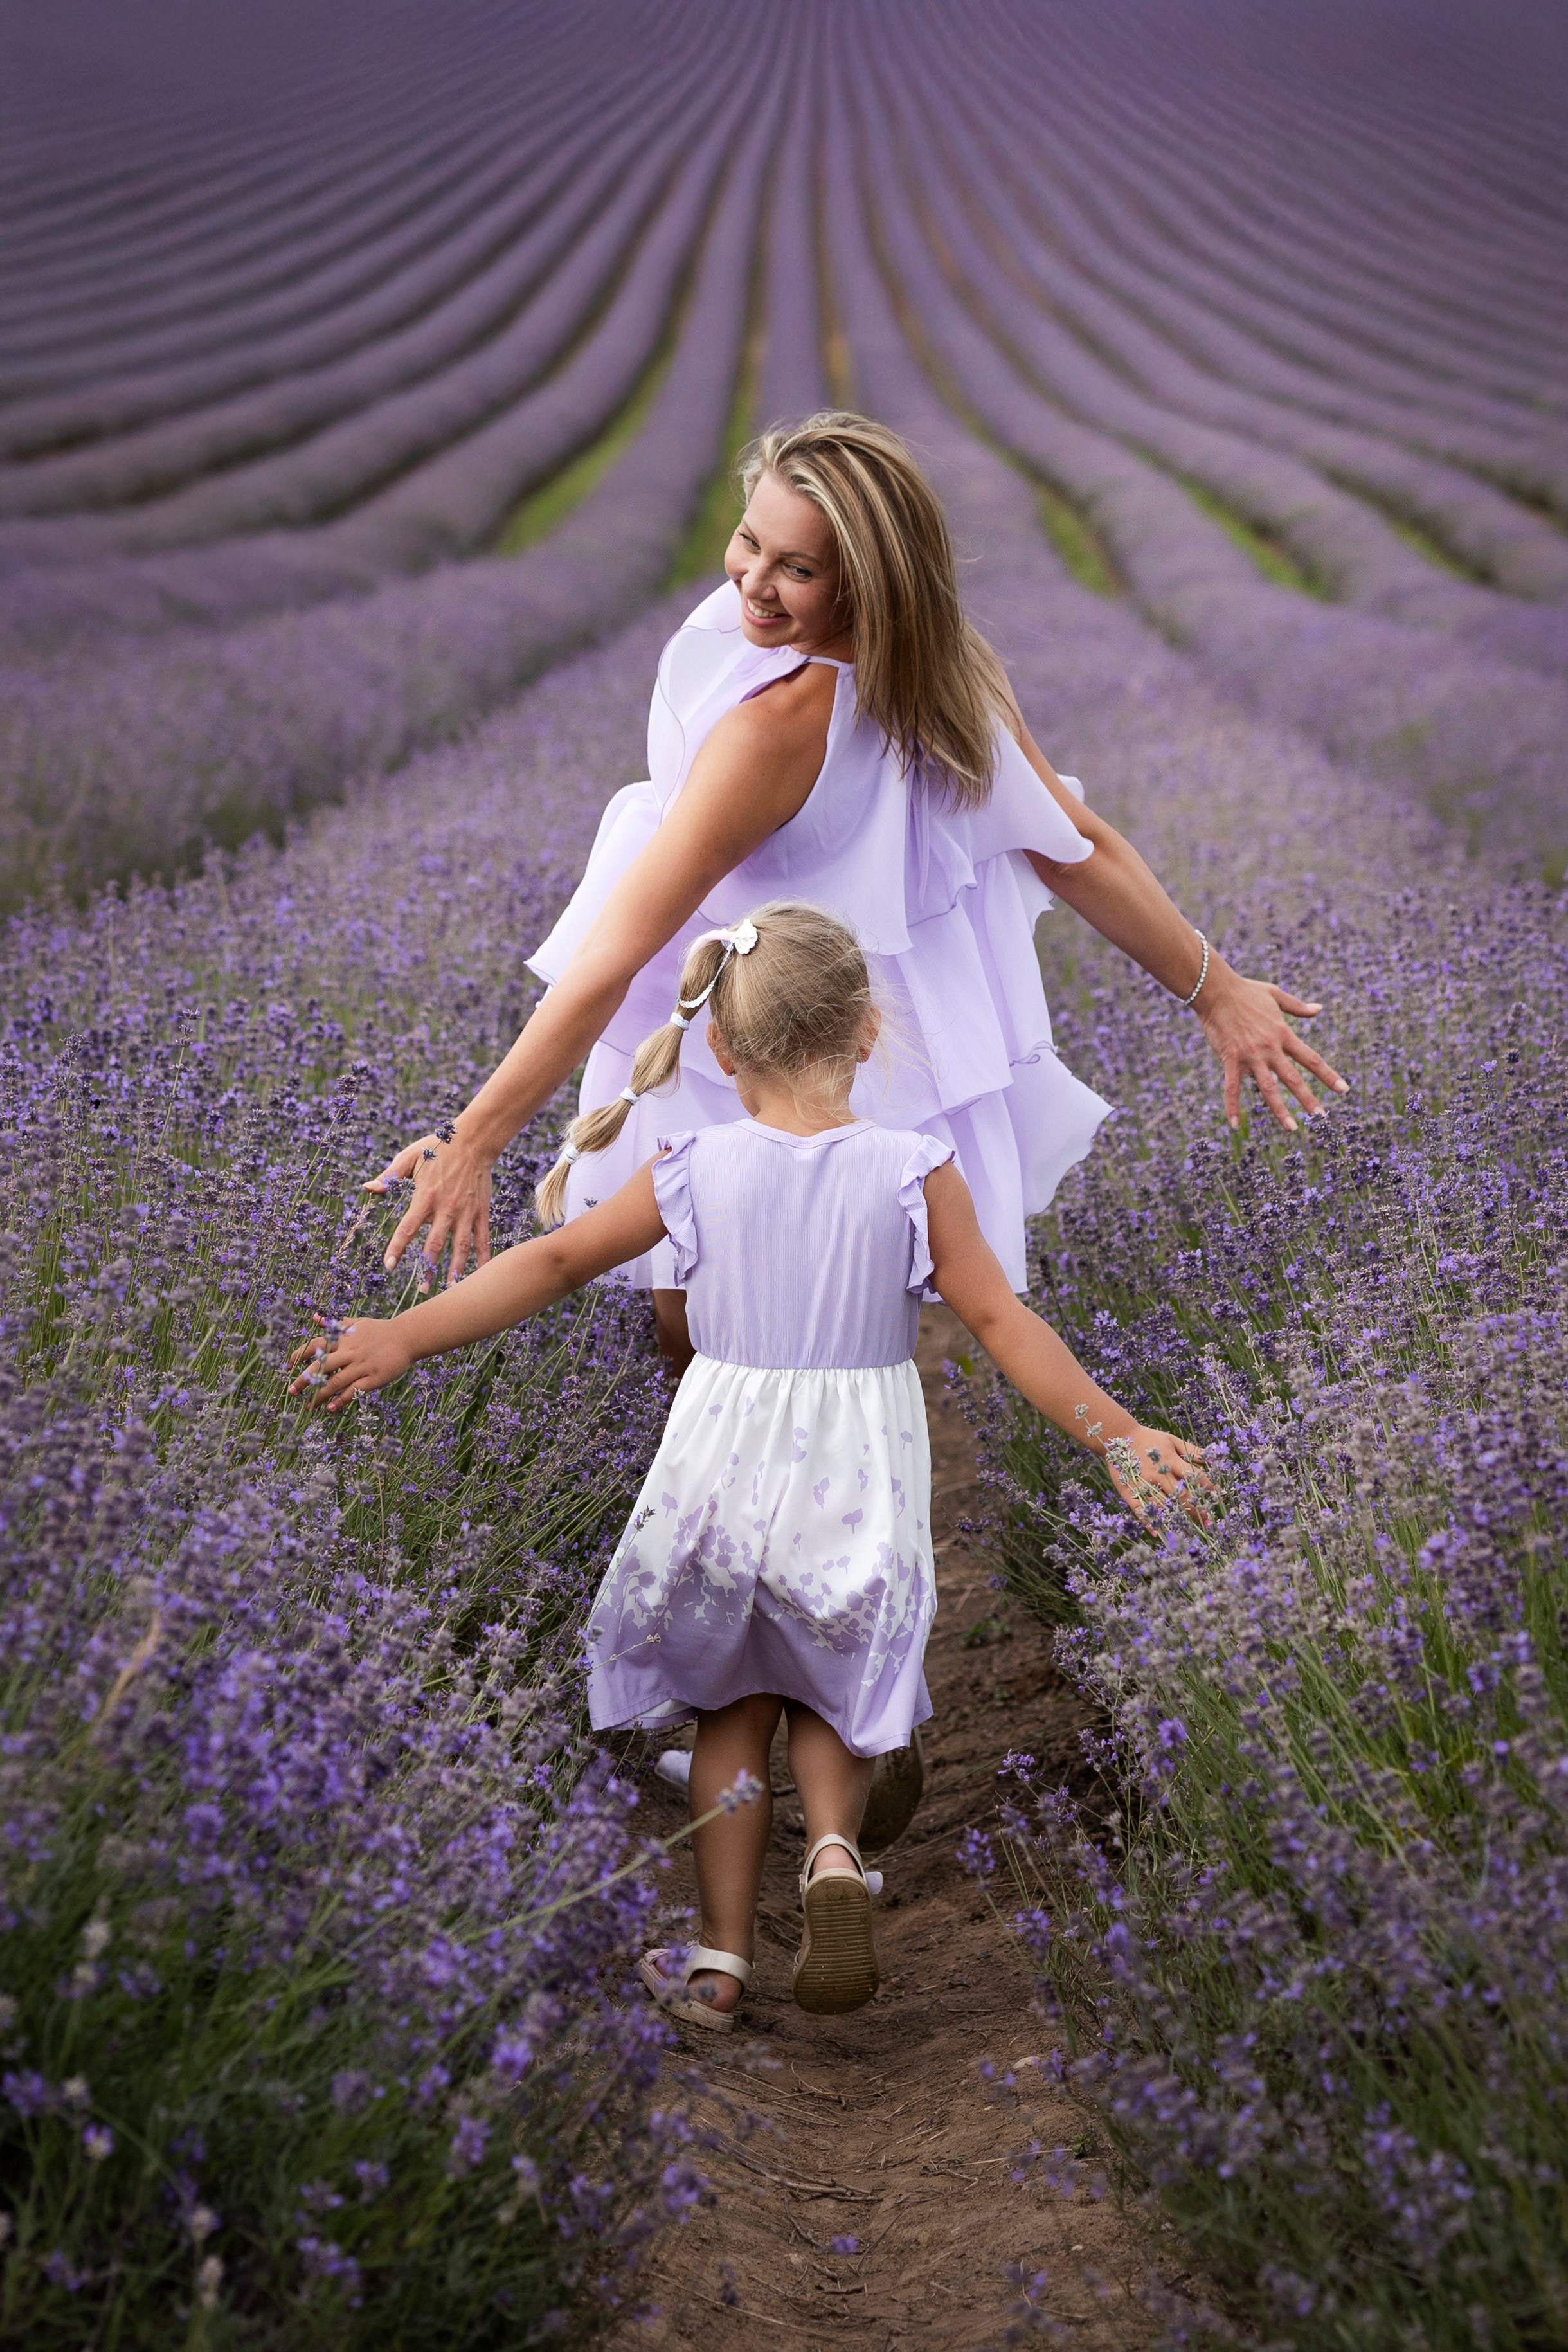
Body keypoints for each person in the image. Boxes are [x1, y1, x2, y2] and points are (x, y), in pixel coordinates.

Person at [294, 903, 1207, 2031]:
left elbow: (556, 1258)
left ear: (719, 1051)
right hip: (857, 1465)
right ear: (868, 1031)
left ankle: (720, 1961)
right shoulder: (917, 1171)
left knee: (731, 1704)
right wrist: (1119, 1433)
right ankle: (831, 1851)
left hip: (722, 1461)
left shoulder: (693, 1165)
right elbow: (1001, 1322)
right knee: (831, 1682)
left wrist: (406, 1333)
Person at [367, 412, 1346, 1362]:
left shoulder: (788, 726)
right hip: (819, 1034)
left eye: (797, 568)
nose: (754, 580)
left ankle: (774, 1502)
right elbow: (1075, 844)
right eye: (748, 540)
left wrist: (474, 1140)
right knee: (738, 1321)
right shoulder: (943, 663)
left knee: (722, 1326)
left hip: (761, 1035)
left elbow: (615, 953)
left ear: (867, 584)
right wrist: (1215, 993)